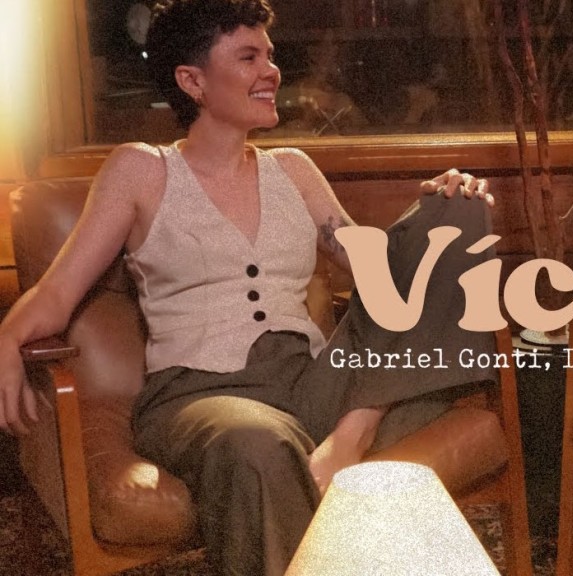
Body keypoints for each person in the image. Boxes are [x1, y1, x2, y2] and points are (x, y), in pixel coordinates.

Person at [0, 0, 497, 574]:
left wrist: (443, 206)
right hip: (200, 398)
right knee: (257, 443)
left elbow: (381, 280)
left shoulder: (294, 170)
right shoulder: (142, 170)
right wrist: (7, 339)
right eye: (248, 57)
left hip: (311, 382)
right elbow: (57, 293)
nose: (272, 72)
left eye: (270, 55)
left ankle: (349, 436)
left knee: (459, 210)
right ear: (192, 81)